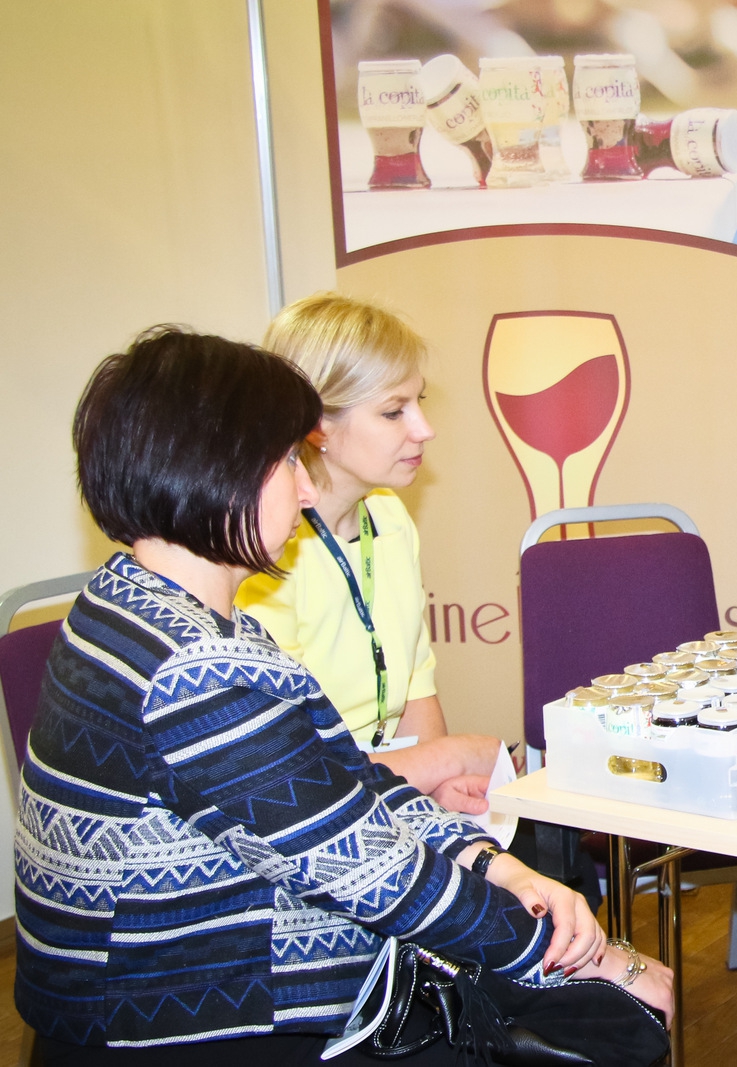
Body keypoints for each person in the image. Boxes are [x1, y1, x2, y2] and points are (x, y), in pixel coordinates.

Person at [16, 327, 671, 1064]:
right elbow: (367, 871)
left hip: (182, 994)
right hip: (185, 1022)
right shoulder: (196, 669)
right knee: (614, 1023)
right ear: (217, 473)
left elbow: (345, 786)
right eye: (287, 461)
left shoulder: (132, 604)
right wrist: (584, 958)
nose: (305, 488)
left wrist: (494, 864)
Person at [237, 294, 501, 816]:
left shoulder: (389, 516)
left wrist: (438, 794)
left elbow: (416, 685)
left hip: (383, 791)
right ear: (317, 425)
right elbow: (294, 775)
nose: (424, 429)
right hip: (310, 811)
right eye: (393, 412)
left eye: (419, 401)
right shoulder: (266, 551)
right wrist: (448, 758)